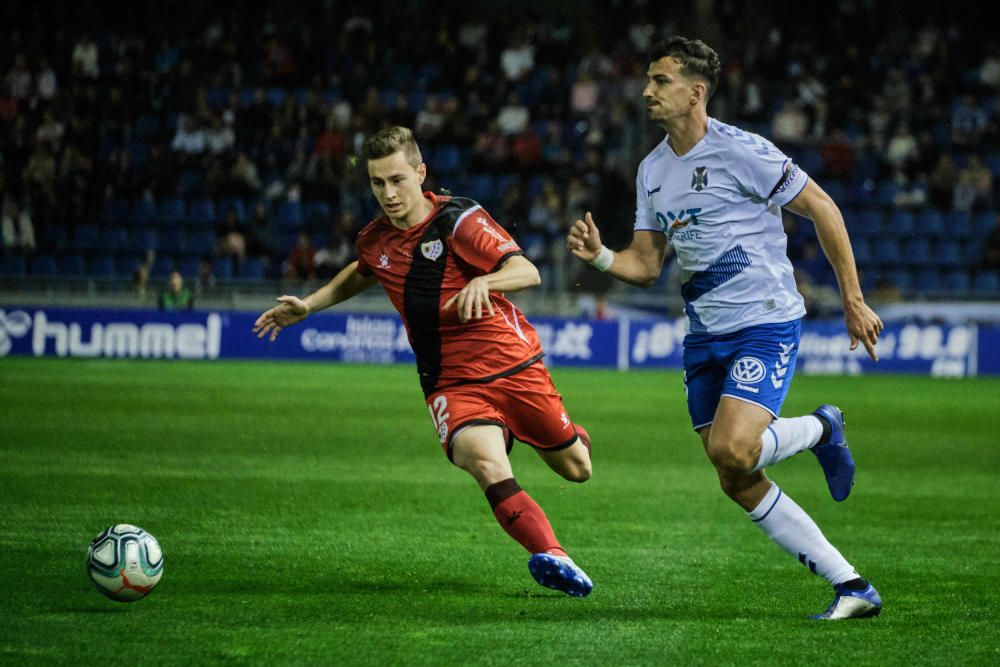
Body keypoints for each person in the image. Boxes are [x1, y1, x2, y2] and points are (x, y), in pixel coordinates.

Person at [566, 37, 884, 619]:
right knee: (735, 476)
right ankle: (853, 586)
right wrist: (602, 258)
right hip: (704, 335)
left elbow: (824, 208)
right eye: (648, 80)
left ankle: (820, 428)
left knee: (733, 448)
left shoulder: (743, 151)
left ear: (696, 92)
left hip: (765, 323)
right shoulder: (652, 170)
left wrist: (852, 300)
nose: (647, 91)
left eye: (660, 81)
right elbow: (645, 264)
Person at [254, 126, 594, 597]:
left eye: (397, 180)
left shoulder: (459, 221)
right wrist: (309, 305)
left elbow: (526, 271)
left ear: (420, 173)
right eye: (377, 183)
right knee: (485, 463)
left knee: (577, 468)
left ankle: (567, 435)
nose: (388, 194)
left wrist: (485, 283)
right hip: (449, 381)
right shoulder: (375, 238)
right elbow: (362, 271)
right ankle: (553, 555)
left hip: (512, 365)